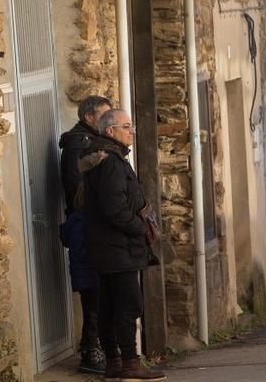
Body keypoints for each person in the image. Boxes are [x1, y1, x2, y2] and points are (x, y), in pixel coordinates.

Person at [80, 109, 165, 381]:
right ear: (110, 131)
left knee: (109, 306)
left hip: (111, 249)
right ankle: (129, 363)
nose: (132, 131)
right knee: (128, 305)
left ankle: (114, 363)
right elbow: (113, 208)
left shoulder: (107, 159)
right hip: (119, 249)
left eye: (131, 125)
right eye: (126, 126)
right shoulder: (111, 164)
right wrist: (141, 229)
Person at [58, 95, 111, 374]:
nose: (107, 120)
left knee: (99, 291)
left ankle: (95, 347)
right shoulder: (80, 145)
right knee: (93, 291)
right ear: (89, 117)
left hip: (91, 225)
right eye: (103, 115)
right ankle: (91, 351)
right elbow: (78, 190)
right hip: (85, 226)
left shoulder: (91, 141)